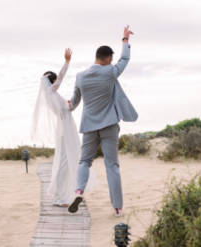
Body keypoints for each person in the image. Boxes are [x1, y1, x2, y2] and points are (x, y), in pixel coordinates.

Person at [67, 25, 138, 217]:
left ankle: (79, 191)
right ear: (107, 59)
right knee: (112, 166)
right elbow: (125, 59)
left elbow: (73, 103)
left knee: (84, 161)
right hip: (109, 125)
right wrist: (125, 40)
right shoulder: (110, 72)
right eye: (110, 60)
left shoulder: (80, 77)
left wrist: (63, 107)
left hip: (89, 126)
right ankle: (117, 208)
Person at [32, 48, 97, 207]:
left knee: (68, 161)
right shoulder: (51, 91)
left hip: (66, 127)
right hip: (65, 129)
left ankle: (68, 193)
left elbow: (66, 108)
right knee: (64, 162)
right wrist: (67, 62)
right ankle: (61, 197)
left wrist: (71, 104)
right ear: (52, 82)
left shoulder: (52, 95)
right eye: (55, 82)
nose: (57, 84)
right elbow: (60, 78)